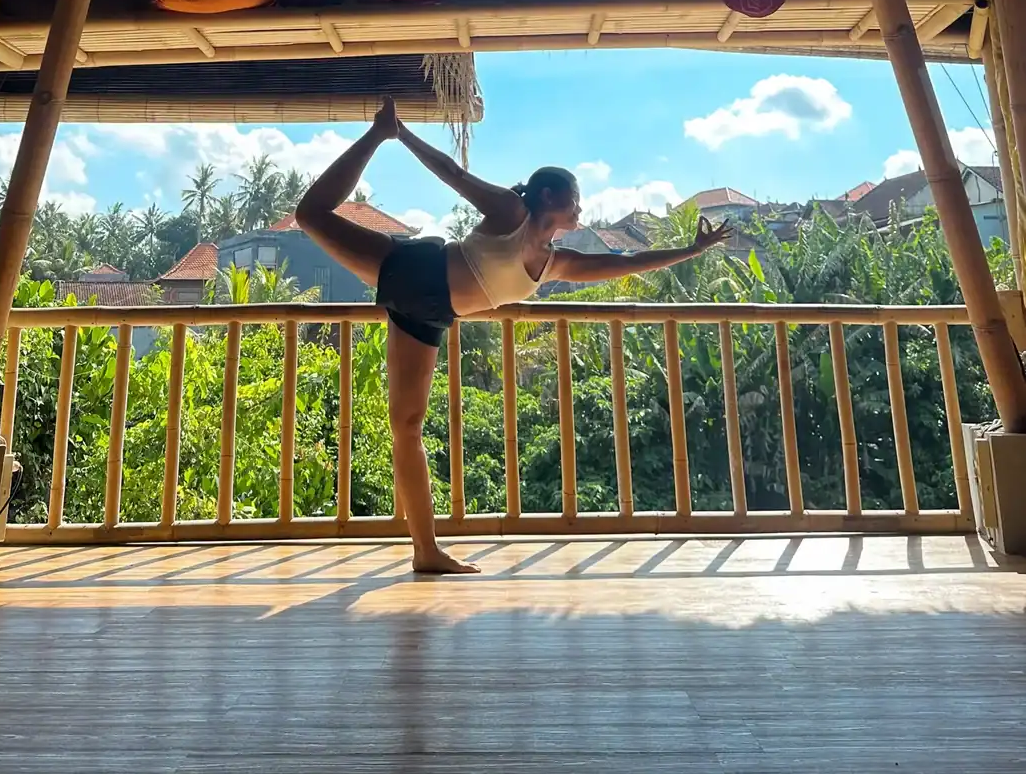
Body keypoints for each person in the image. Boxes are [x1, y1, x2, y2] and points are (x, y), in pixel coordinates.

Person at [294, 98, 729, 574]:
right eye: (575, 197)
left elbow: (623, 265)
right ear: (547, 197)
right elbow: (453, 176)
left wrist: (689, 250)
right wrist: (400, 133)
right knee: (310, 214)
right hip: (416, 272)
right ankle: (376, 132)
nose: (581, 206)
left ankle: (425, 550)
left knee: (407, 429)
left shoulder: (556, 261)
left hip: (432, 314)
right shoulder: (510, 212)